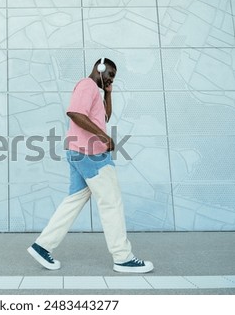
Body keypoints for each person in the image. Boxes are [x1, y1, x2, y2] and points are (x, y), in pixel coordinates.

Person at [27, 58, 154, 273]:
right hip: (91, 154)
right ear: (100, 68)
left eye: (114, 77)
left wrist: (108, 93)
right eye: (109, 74)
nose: (111, 78)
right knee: (111, 203)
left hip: (78, 152)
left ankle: (42, 246)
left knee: (73, 201)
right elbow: (75, 114)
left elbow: (103, 117)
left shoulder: (94, 90)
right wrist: (104, 137)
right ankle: (123, 258)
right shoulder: (86, 85)